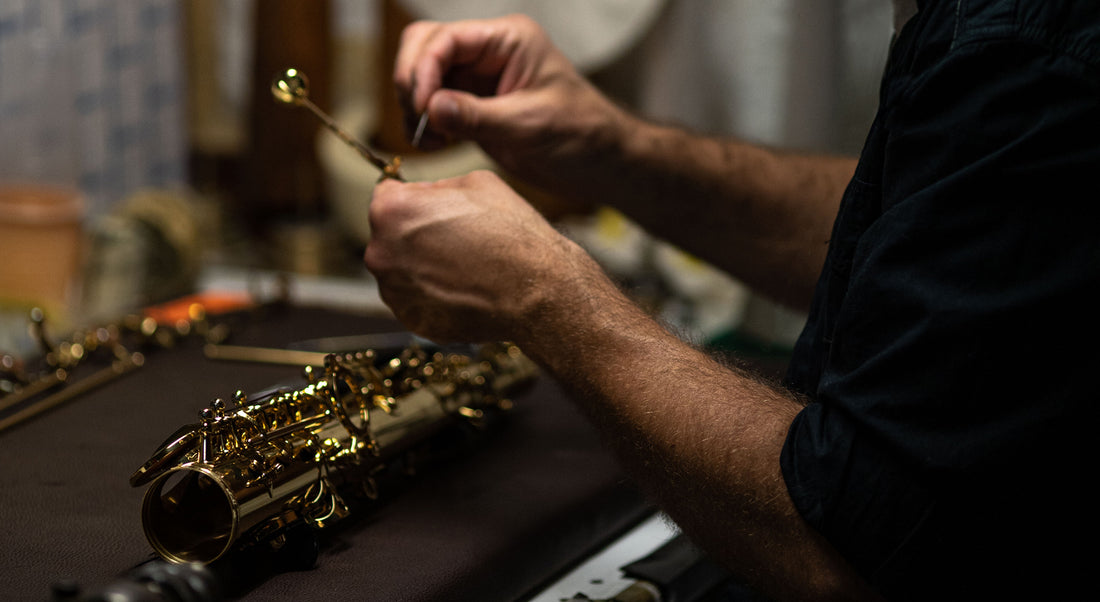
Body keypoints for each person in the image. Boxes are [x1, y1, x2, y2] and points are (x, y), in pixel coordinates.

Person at [363, 1, 1100, 600]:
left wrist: (541, 296)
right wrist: (603, 148)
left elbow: (848, 547)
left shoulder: (1030, 46)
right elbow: (935, 240)